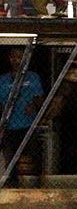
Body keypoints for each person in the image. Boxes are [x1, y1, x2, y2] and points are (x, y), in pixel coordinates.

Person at [0, 47, 44, 186]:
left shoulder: (33, 77)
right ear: (9, 58)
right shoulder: (3, 80)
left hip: (29, 124)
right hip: (10, 124)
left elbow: (39, 99)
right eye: (13, 57)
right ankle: (13, 184)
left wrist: (34, 105)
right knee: (11, 158)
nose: (16, 61)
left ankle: (37, 183)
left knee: (34, 156)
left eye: (19, 57)